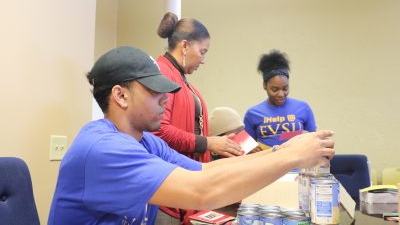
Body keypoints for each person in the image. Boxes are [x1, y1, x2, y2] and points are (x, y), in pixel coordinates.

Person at [48, 46, 335, 225]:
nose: (165, 99)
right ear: (120, 95)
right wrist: (293, 156)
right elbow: (202, 192)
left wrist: (281, 152)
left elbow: (205, 171)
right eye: (154, 91)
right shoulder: (102, 149)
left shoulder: (146, 142)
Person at [154, 12, 242, 223]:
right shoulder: (163, 74)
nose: (203, 60)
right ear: (185, 46)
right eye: (202, 52)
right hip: (169, 187)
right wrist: (208, 142)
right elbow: (159, 131)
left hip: (185, 184)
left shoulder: (180, 78)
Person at [244, 50, 317, 150]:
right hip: (266, 164)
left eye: (285, 88)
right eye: (275, 89)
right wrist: (250, 149)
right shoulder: (252, 113)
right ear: (264, 85)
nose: (281, 94)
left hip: (297, 164)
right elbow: (245, 148)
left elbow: (313, 140)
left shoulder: (303, 108)